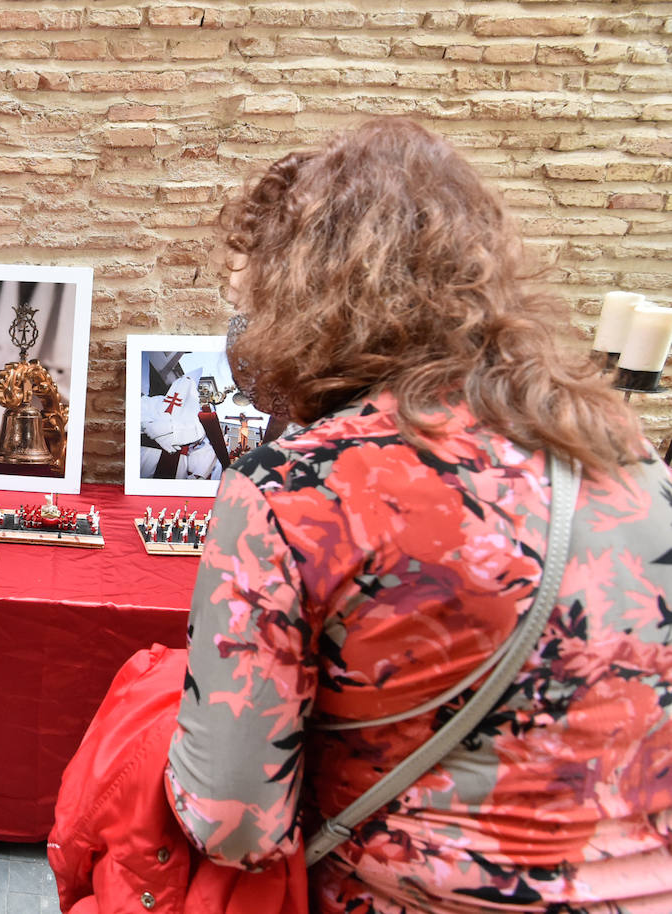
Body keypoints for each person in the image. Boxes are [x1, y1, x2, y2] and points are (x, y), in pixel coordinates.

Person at [165, 119, 672, 912]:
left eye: (251, 304)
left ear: (304, 298)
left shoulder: (297, 490)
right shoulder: (623, 448)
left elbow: (233, 821)